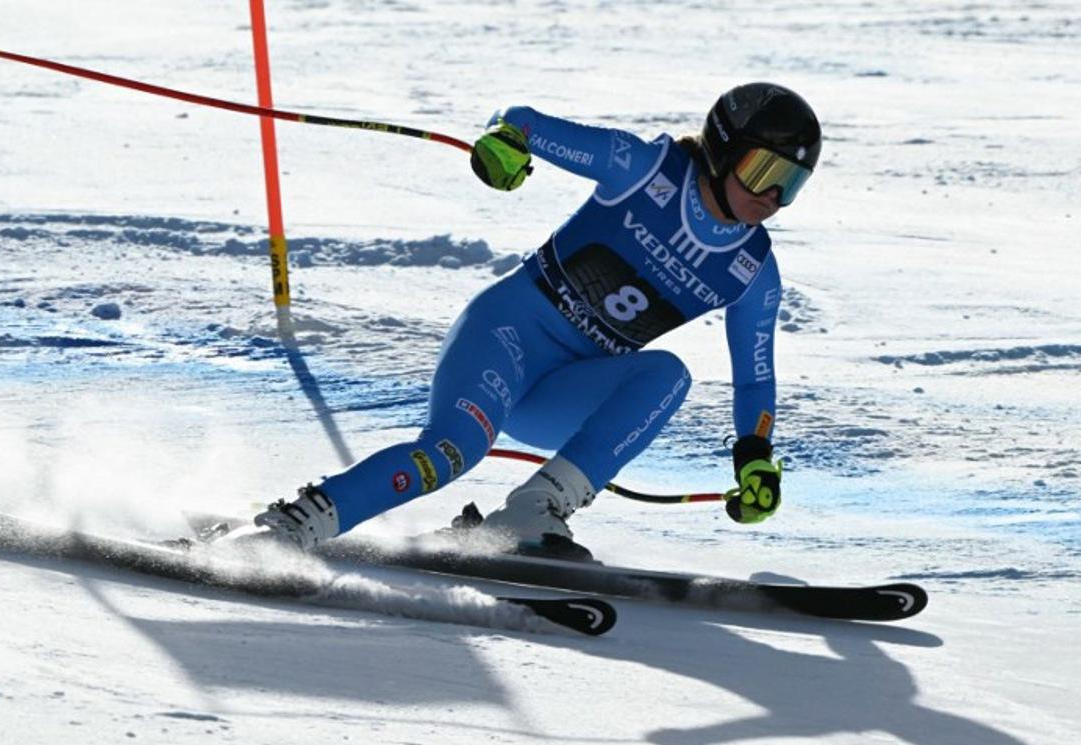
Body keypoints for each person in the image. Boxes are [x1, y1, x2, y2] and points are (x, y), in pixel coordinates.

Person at [251, 82, 821, 558]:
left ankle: (533, 509)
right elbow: (521, 120)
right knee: (450, 453)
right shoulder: (643, 168)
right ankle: (294, 526)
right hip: (505, 338)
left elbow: (755, 380)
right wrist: (504, 143)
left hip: (562, 393)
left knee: (669, 375)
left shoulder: (752, 271)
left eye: (790, 184)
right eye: (762, 170)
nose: (771, 196)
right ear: (723, 149)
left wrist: (755, 456)